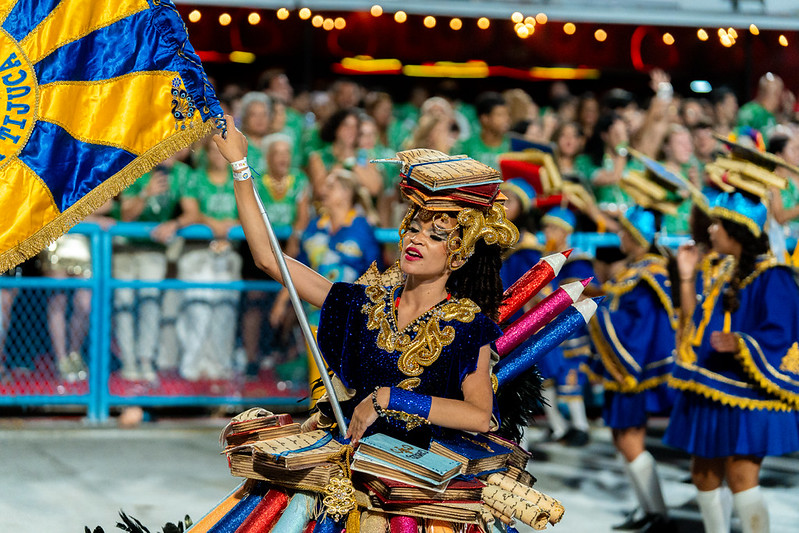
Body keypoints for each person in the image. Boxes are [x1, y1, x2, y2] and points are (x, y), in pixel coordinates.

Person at [216, 115, 521, 448]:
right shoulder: (365, 304)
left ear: (458, 256)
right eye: (414, 229)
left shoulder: (467, 325)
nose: (417, 239)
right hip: (349, 459)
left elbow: (479, 416)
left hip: (413, 472)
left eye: (436, 236)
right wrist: (240, 166)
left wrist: (388, 398)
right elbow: (268, 257)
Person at [666, 191, 799, 533]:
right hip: (710, 386)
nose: (711, 231)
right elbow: (695, 324)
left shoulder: (774, 275)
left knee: (741, 477)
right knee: (703, 476)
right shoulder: (721, 269)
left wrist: (741, 343)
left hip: (750, 391)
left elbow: (783, 331)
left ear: (737, 231)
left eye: (717, 225)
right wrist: (685, 276)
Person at [586, 205, 677, 532]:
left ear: (637, 235)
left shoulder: (649, 274)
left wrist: (593, 311)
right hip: (622, 367)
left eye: (625, 231)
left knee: (630, 441)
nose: (620, 236)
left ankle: (657, 514)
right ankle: (648, 510)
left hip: (631, 368)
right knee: (622, 440)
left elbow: (641, 325)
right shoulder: (636, 269)